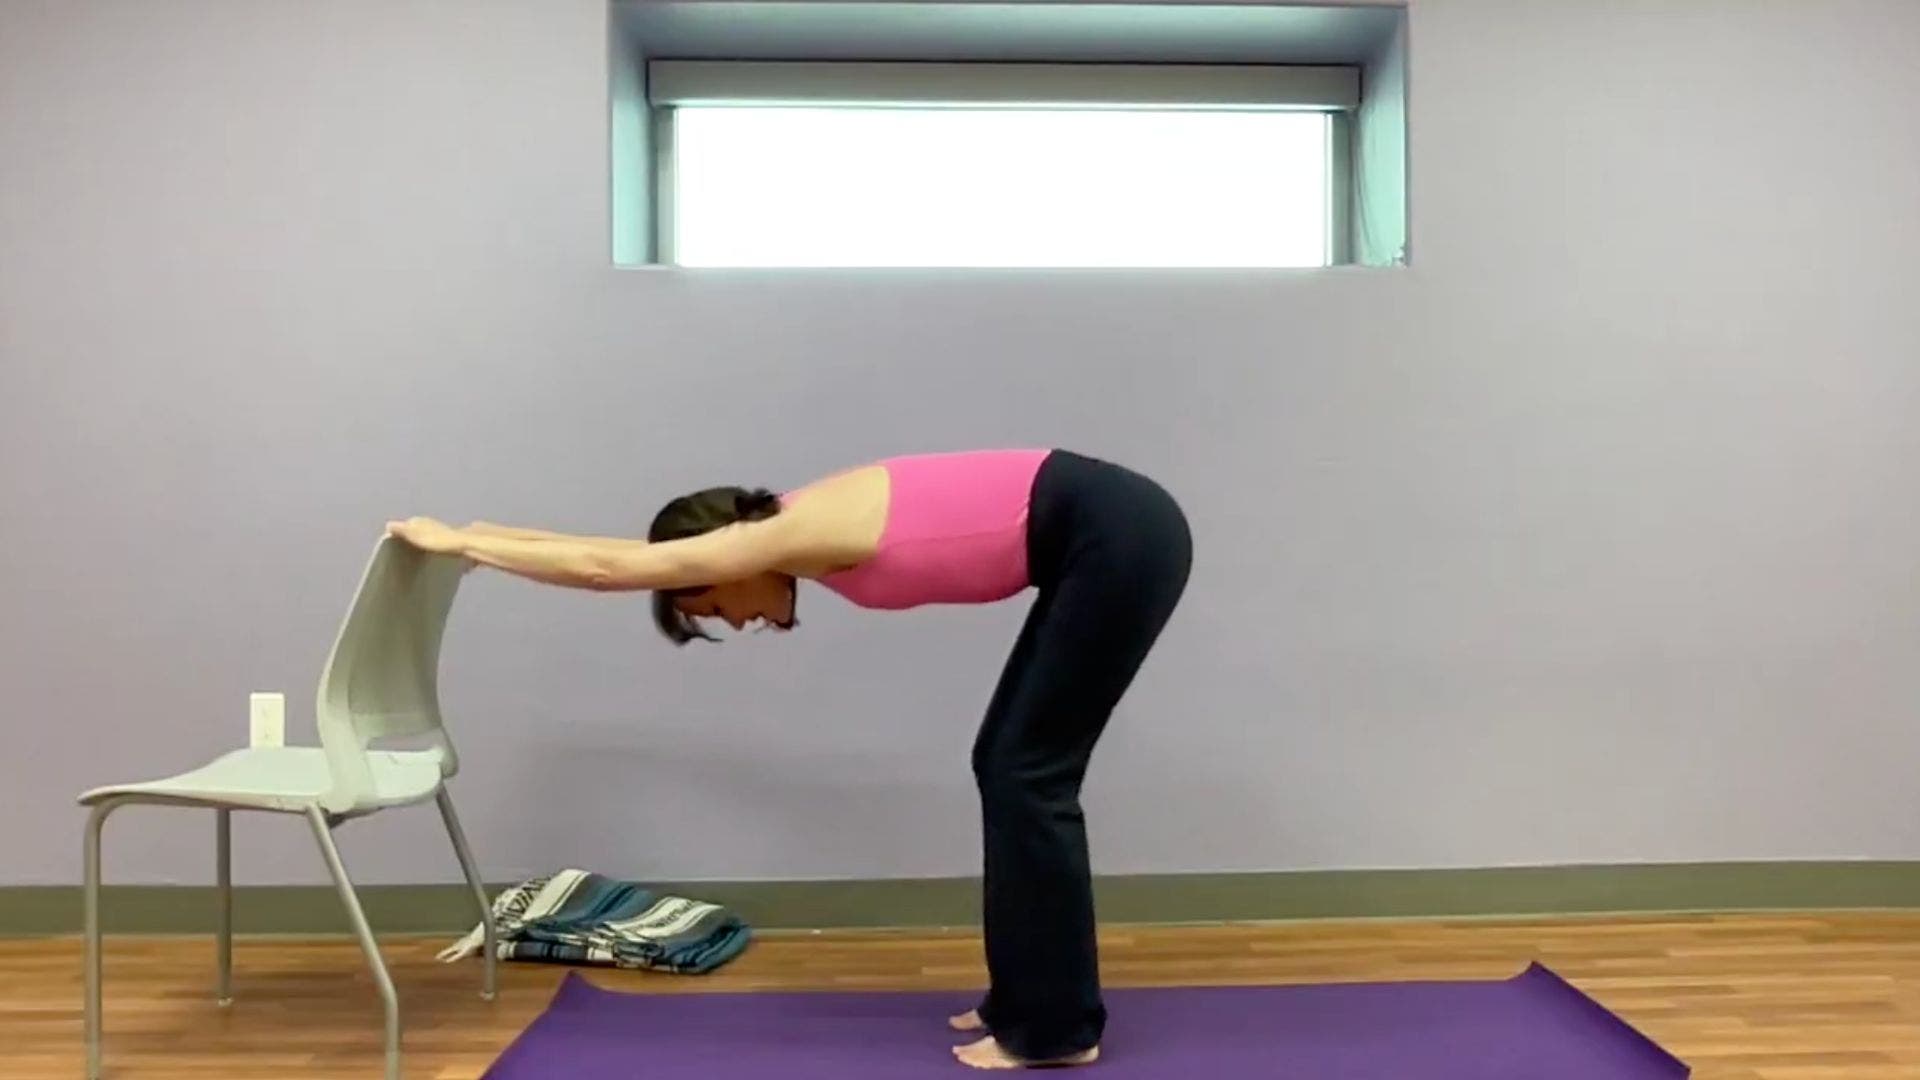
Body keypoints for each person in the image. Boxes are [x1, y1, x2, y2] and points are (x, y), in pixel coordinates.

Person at [387, 448, 1192, 1069]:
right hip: (1103, 536)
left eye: (707, 601)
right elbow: (616, 553)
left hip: (1120, 536)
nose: (730, 620)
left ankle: (1053, 1029)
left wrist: (467, 544)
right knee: (1007, 764)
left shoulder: (791, 533)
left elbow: (608, 571)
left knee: (1026, 771)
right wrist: (476, 539)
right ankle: (1026, 999)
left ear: (724, 557)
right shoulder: (786, 529)